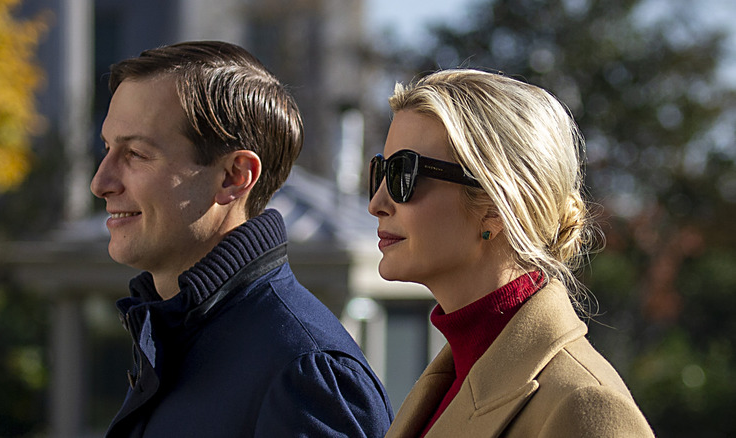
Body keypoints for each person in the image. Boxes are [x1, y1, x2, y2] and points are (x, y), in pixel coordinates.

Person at [90, 40, 393, 437]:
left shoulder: (307, 375)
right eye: (108, 148)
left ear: (235, 177)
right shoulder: (177, 337)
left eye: (136, 155)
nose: (101, 183)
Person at [368, 69, 654, 437]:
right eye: (381, 171)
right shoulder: (446, 381)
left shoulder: (585, 405)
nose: (378, 202)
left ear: (497, 205)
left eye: (403, 175)